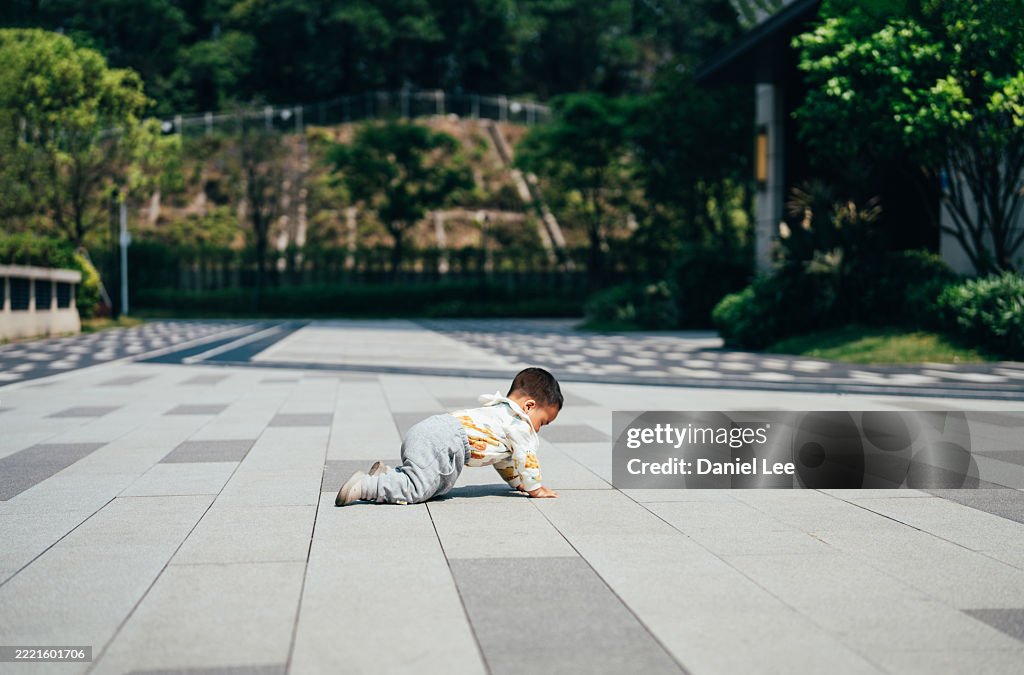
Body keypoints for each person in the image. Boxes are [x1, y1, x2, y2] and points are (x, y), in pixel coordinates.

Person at [336, 367, 562, 506]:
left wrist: (518, 483)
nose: (538, 429)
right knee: (419, 490)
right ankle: (366, 486)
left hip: (435, 430)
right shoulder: (519, 425)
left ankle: (388, 476)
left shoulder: (501, 415)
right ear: (529, 406)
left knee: (436, 486)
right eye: (542, 422)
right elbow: (526, 457)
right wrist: (534, 487)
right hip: (446, 441)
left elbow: (505, 460)